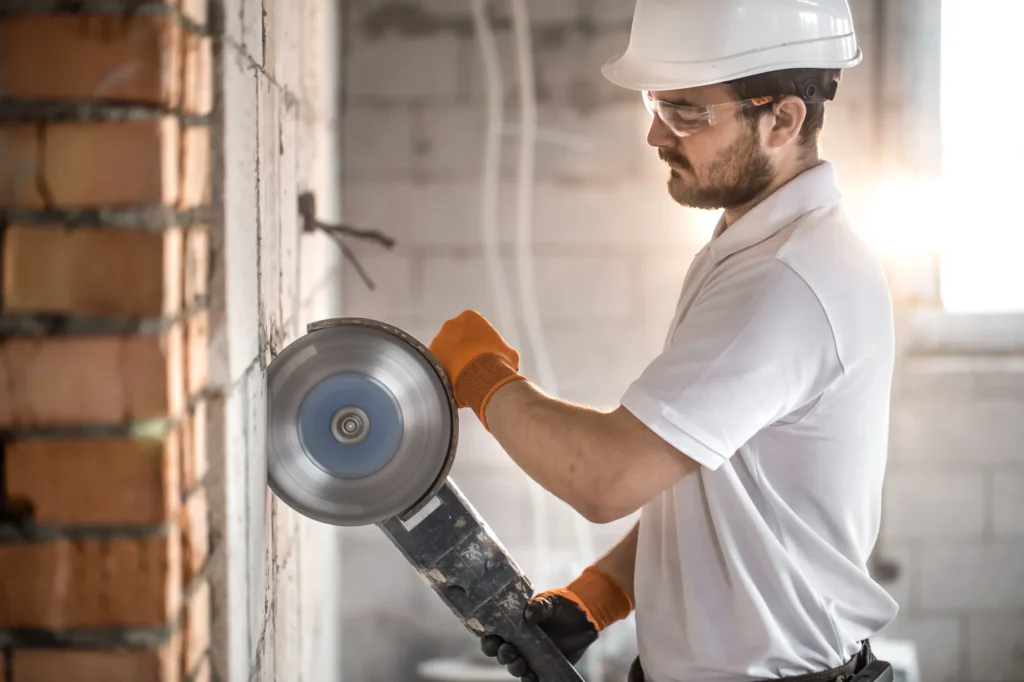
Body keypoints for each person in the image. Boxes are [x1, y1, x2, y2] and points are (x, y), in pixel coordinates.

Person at [427, 0, 899, 680]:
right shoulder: (755, 246)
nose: (655, 134)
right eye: (655, 103)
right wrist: (603, 594)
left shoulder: (785, 282)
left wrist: (483, 378)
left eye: (686, 111)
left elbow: (607, 476)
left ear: (783, 119)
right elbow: (716, 490)